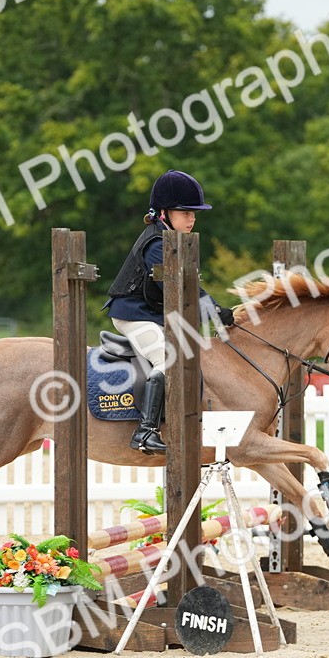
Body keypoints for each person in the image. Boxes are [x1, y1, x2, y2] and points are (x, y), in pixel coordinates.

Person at [103, 169, 234, 455]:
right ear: (163, 212)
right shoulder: (156, 244)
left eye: (194, 213)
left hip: (152, 313)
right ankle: (145, 430)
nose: (192, 218)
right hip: (133, 314)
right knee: (167, 358)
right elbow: (182, 289)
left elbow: (189, 287)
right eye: (185, 212)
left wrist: (216, 309)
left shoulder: (174, 240)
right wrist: (214, 310)